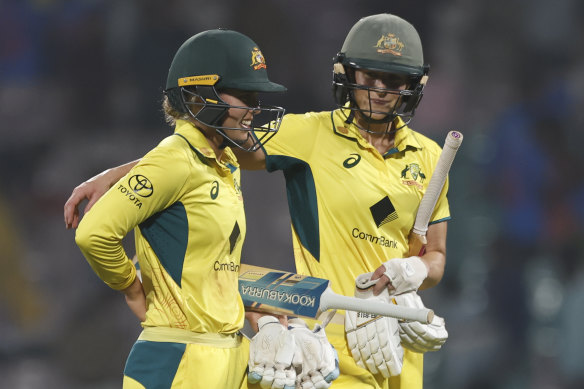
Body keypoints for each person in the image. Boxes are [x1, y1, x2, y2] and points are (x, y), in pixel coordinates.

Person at [66, 14, 450, 389]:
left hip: (399, 337)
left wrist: (412, 273)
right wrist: (117, 175)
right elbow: (206, 146)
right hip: (328, 347)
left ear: (414, 84)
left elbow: (435, 257)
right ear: (347, 75)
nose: (382, 89)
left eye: (395, 80)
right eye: (371, 76)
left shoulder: (431, 157)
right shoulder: (309, 135)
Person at [72, 29, 291, 388]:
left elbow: (212, 267)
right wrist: (130, 286)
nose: (254, 108)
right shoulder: (174, 160)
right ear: (198, 96)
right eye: (245, 94)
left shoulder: (224, 161)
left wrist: (266, 319)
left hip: (226, 354)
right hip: (177, 360)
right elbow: (93, 233)